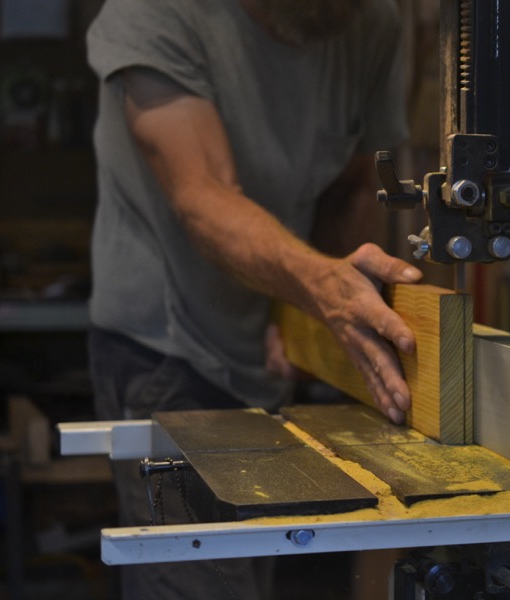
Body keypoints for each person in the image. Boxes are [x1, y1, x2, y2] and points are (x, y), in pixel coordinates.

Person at [85, 0, 419, 597]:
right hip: (167, 349)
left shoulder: (370, 21)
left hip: (264, 351)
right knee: (206, 586)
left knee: (249, 576)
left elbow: (350, 185)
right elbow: (203, 195)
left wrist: (299, 316)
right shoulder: (158, 10)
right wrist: (320, 290)